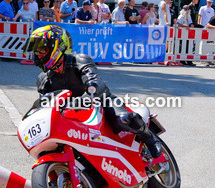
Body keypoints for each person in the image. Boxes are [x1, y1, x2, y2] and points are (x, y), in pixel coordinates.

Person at [24, 25, 163, 163]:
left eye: (42, 49)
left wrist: (90, 91)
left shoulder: (79, 60)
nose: (39, 55)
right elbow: (45, 104)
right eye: (36, 52)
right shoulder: (43, 79)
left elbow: (93, 81)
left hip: (101, 101)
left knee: (123, 118)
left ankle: (150, 138)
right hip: (73, 112)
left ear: (58, 46)